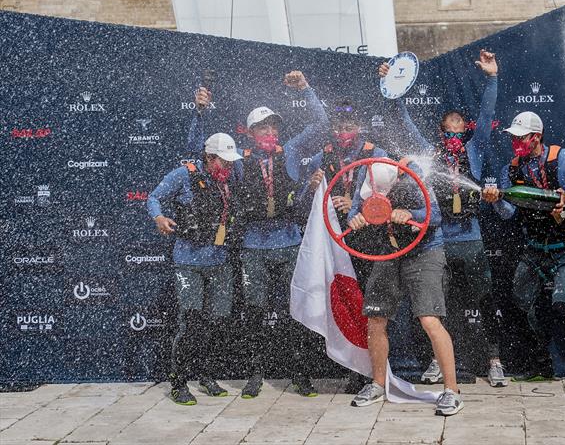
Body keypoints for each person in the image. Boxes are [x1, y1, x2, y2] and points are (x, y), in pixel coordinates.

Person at [189, 70, 328, 399]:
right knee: (255, 313)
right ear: (250, 133)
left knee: (298, 311)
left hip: (290, 242)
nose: (269, 131)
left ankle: (301, 374)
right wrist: (199, 113)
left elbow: (321, 124)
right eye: (262, 127)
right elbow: (199, 150)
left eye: (273, 126)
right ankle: (256, 373)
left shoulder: (290, 151)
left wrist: (307, 89)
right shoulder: (239, 160)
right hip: (254, 247)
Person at [379, 50, 507, 387]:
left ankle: (495, 361)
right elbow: (404, 124)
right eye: (447, 126)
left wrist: (492, 78)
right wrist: (392, 89)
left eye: (459, 125)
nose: (453, 131)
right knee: (437, 305)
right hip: (441, 242)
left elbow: (487, 111)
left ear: (466, 130)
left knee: (484, 299)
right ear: (440, 130)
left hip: (472, 237)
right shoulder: (430, 154)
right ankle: (437, 361)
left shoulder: (475, 149)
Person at [482, 112, 565, 384]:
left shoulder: (564, 158)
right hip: (533, 251)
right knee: (522, 305)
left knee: (561, 307)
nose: (515, 143)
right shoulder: (510, 169)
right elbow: (508, 213)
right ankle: (542, 365)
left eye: (520, 138)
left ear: (536, 137)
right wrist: (495, 200)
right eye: (513, 138)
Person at [347, 161, 463, 416]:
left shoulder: (415, 176)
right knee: (376, 318)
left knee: (429, 319)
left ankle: (452, 391)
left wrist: (412, 215)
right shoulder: (368, 175)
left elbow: (436, 216)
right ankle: (378, 384)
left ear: (396, 181)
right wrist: (355, 219)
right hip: (389, 251)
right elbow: (354, 211)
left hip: (425, 251)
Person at [300, 97, 389, 394]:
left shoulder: (375, 154)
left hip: (370, 242)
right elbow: (302, 199)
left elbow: (389, 196)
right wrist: (311, 187)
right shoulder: (323, 156)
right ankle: (355, 367)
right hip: (337, 245)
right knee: (348, 304)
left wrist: (355, 204)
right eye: (339, 126)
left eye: (349, 125)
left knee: (372, 308)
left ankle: (376, 370)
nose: (343, 131)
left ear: (360, 126)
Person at [147, 133, 243, 405]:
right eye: (223, 162)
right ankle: (178, 383)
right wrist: (159, 217)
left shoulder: (230, 177)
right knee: (190, 323)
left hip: (220, 261)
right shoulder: (184, 175)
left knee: (217, 321)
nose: (229, 167)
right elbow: (153, 198)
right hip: (189, 262)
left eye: (231, 162)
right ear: (209, 158)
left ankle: (207, 375)